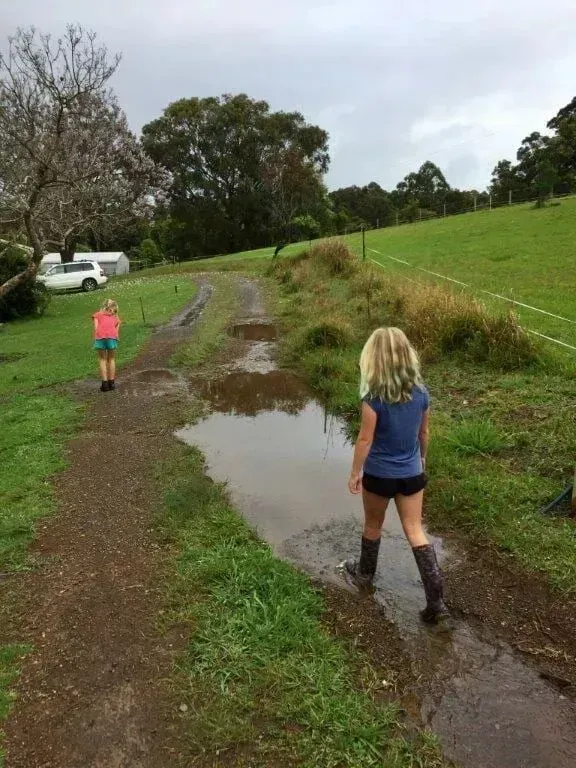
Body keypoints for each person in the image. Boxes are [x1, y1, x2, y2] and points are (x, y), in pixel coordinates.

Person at [343, 327, 449, 624]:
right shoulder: (422, 393)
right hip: (412, 473)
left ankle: (364, 575)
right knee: (415, 529)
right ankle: (436, 600)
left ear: (373, 358)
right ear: (407, 355)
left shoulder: (372, 397)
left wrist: (355, 472)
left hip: (379, 474)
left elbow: (365, 439)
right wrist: (422, 458)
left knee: (373, 524)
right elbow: (423, 432)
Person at [93, 299, 121, 392]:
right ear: (114, 307)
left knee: (102, 359)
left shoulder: (97, 315)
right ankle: (111, 383)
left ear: (103, 306)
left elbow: (96, 328)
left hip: (100, 337)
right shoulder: (115, 317)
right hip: (112, 337)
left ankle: (104, 384)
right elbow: (116, 331)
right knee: (111, 359)